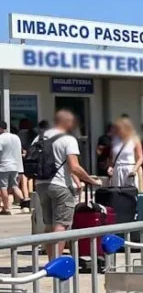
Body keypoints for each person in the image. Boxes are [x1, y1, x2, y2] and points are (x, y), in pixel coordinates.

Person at [33, 110, 100, 258]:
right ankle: (57, 262)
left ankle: (51, 262)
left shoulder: (40, 137)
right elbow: (74, 166)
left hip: (41, 185)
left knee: (49, 224)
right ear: (66, 122)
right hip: (60, 186)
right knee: (61, 224)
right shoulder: (68, 139)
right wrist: (91, 180)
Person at [108, 117, 143, 188]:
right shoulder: (115, 140)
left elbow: (140, 158)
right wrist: (110, 167)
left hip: (129, 169)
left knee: (130, 193)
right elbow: (112, 157)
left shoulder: (134, 140)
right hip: (117, 170)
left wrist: (134, 169)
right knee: (117, 194)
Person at [0, 122, 24, 215]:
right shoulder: (16, 137)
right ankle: (25, 204)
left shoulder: (1, 138)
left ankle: (6, 208)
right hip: (15, 166)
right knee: (14, 186)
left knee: (3, 187)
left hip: (3, 166)